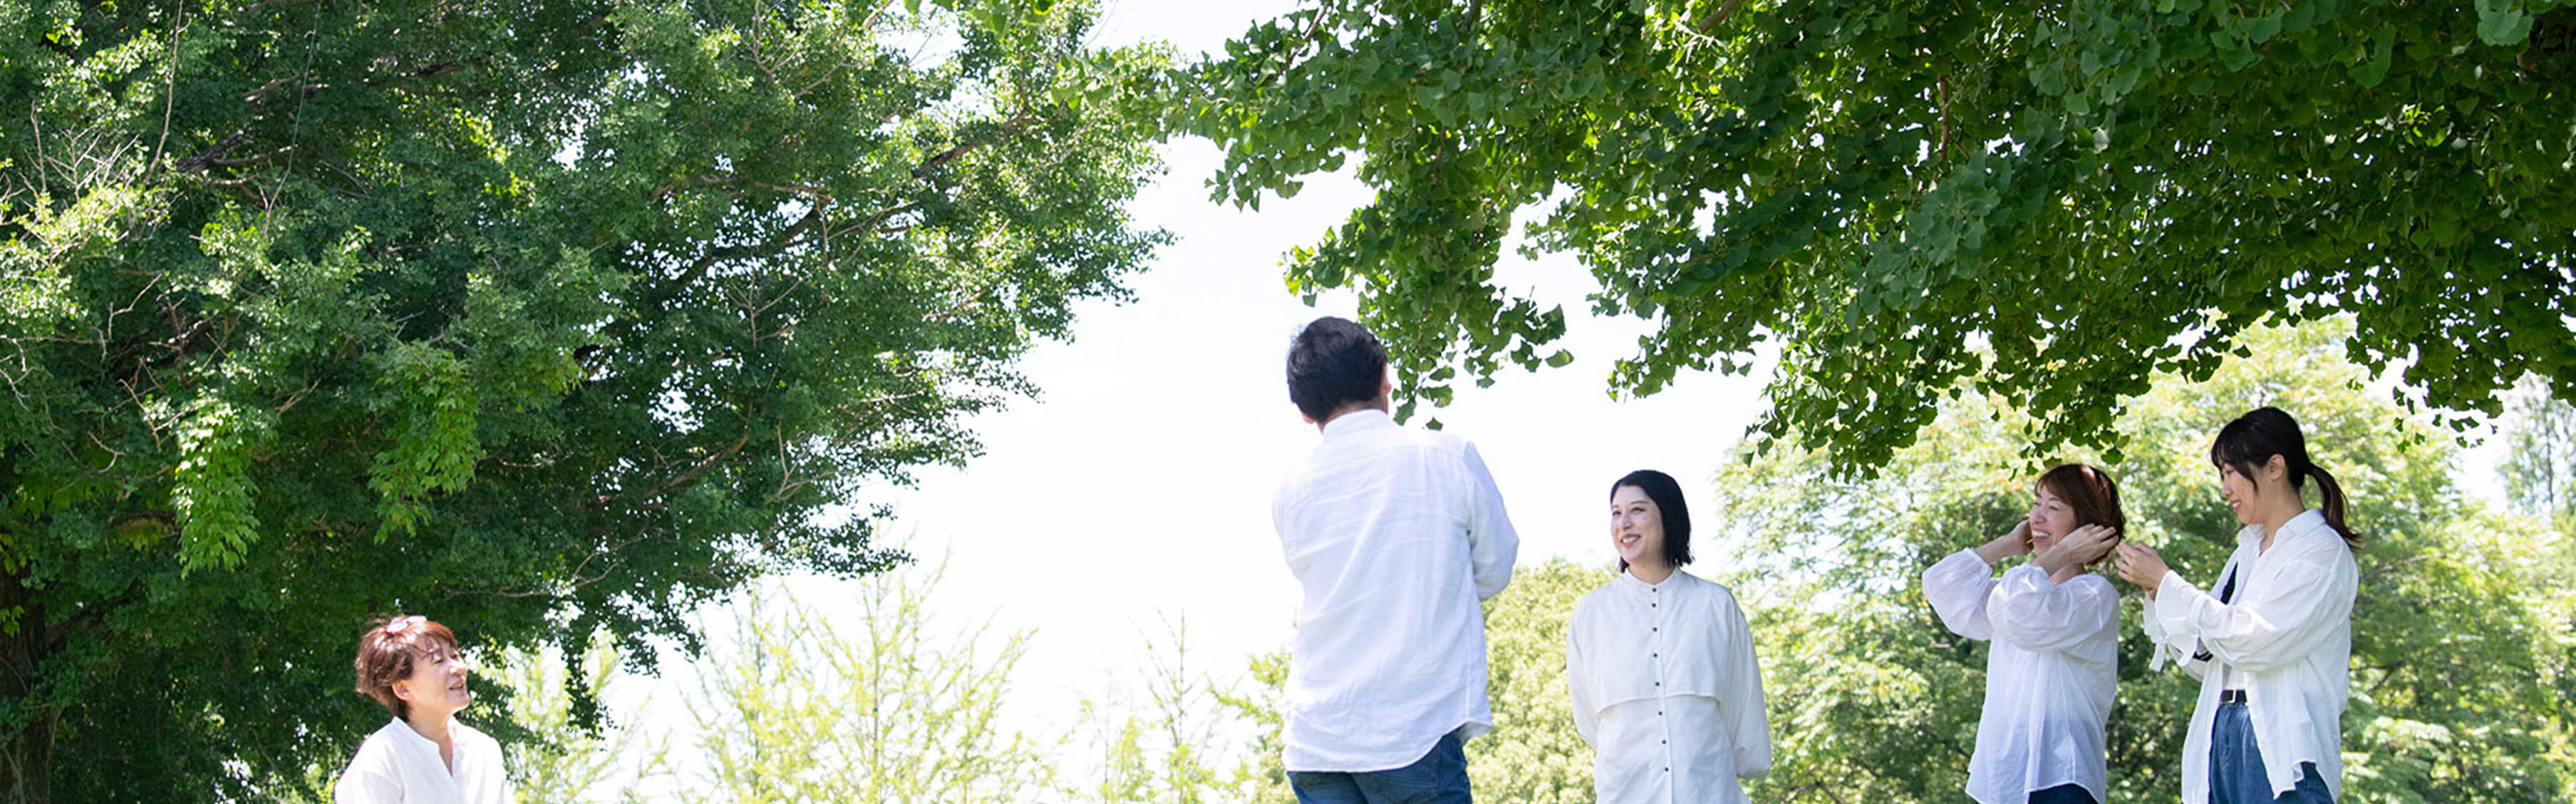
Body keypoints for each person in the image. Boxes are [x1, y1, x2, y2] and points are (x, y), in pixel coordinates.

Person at [1271, 316, 1520, 804]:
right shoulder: (1446, 455)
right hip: (1411, 729)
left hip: (1316, 739)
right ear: (1385, 377)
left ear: (1303, 410)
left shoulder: (1290, 488)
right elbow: (1495, 565)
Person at [2115, 407, 2362, 804]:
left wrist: (2168, 584)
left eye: (2231, 472)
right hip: (2221, 728)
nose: (2225, 488)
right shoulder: (2245, 551)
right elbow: (2207, 657)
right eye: (2222, 475)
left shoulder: (2320, 551)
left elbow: (2257, 641)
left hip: (2282, 740)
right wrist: (2160, 595)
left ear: (2275, 467)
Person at [1920, 463, 2127, 804]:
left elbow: (2022, 610)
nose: (2037, 518)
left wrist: (2062, 553)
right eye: (2036, 504)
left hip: (2063, 776)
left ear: (2085, 526)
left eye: (2054, 507)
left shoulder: (2094, 596)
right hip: (2008, 776)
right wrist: (2008, 545)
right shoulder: (2013, 592)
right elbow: (1942, 584)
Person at [1566, 469, 1769, 804]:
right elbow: (1589, 717)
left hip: (1708, 791)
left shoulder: (1716, 605)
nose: (1624, 523)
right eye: (1616, 513)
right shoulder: (1592, 613)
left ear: (1669, 515)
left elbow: (1741, 702)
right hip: (1625, 794)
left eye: (1638, 510)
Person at [336, 614, 513, 804]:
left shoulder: (483, 750)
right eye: (438, 661)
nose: (457, 668)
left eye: (454, 656)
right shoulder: (380, 760)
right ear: (403, 688)